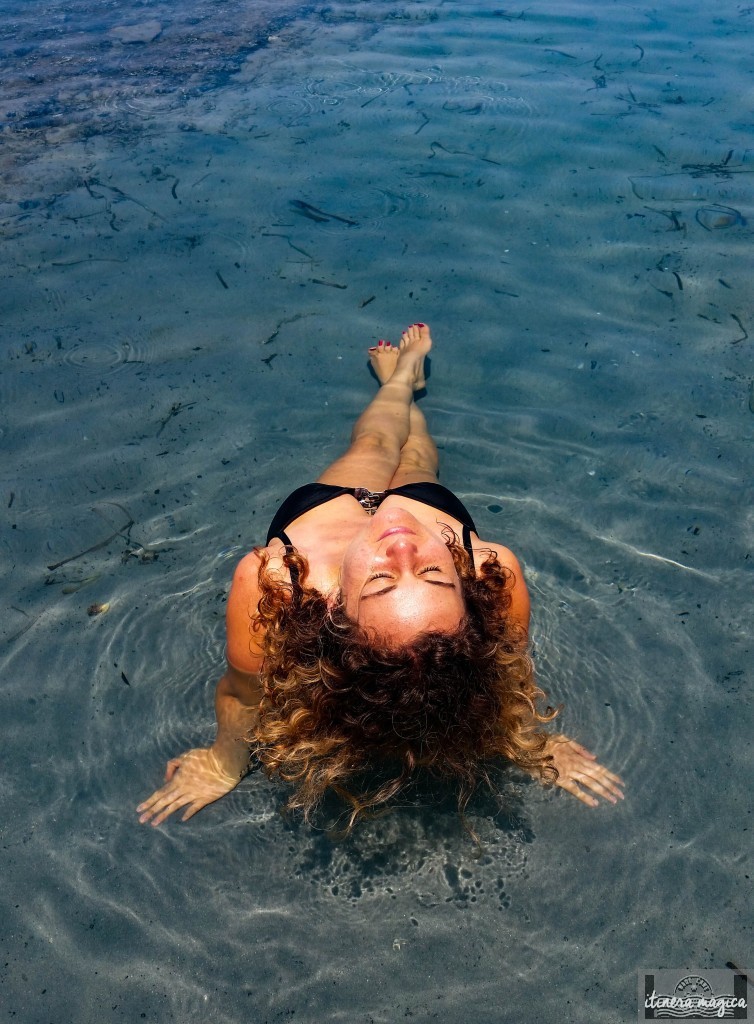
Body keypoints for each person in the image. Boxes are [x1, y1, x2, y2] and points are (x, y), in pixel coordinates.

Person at [137, 323, 624, 831]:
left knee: (388, 446)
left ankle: (399, 382)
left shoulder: (277, 584)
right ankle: (403, 378)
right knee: (406, 454)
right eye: (435, 574)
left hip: (327, 506)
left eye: (381, 580)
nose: (401, 541)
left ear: (334, 614)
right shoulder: (491, 571)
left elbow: (244, 692)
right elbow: (503, 674)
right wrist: (534, 740)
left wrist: (224, 763)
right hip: (431, 509)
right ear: (467, 592)